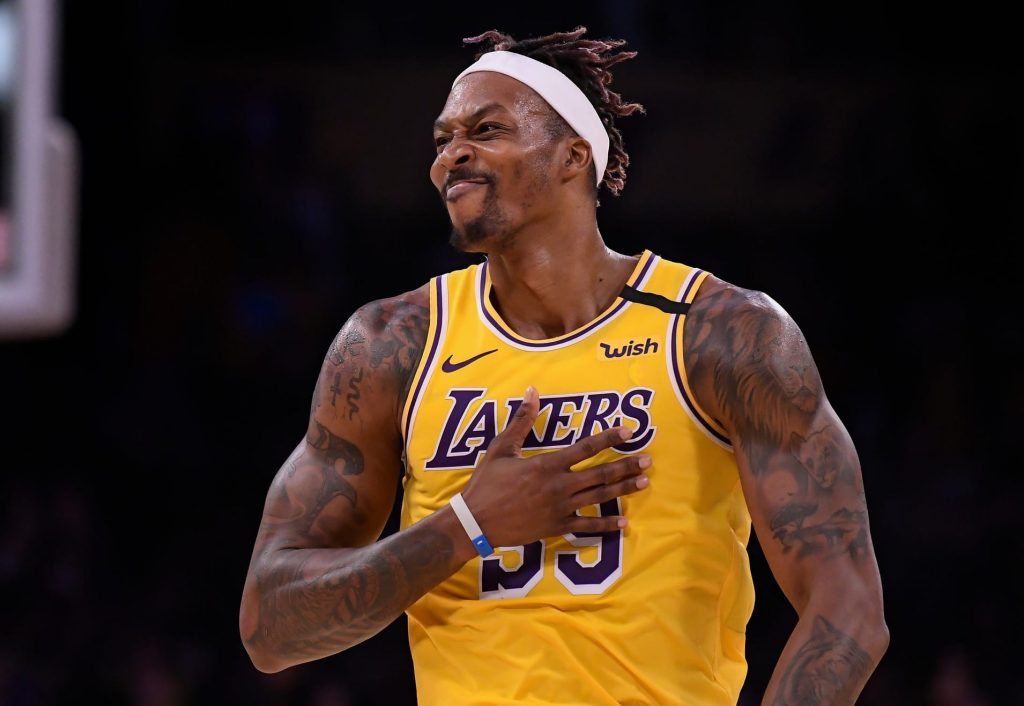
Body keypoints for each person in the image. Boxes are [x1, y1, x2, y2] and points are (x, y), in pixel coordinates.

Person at [239, 26, 889, 705]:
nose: (451, 155)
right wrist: (466, 526)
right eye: (442, 140)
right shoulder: (390, 345)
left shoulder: (720, 333)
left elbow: (846, 607)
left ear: (573, 155)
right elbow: (269, 628)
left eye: (486, 129)